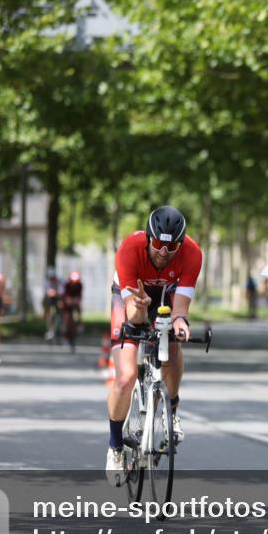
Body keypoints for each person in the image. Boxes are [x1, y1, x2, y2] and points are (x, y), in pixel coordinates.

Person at [105, 207, 203, 486]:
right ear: (148, 238)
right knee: (126, 376)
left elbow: (180, 308)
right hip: (132, 298)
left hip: (166, 296)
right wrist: (139, 308)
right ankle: (114, 446)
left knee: (173, 344)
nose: (163, 251)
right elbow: (133, 315)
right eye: (158, 244)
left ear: (181, 244)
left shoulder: (192, 254)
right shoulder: (129, 250)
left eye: (171, 246)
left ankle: (172, 407)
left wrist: (181, 323)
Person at [42, 267, 62, 340]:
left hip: (58, 299)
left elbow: (61, 292)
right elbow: (48, 292)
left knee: (61, 305)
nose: (52, 279)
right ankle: (50, 328)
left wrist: (55, 293)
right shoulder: (47, 282)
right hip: (50, 300)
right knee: (48, 309)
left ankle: (61, 321)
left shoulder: (59, 281)